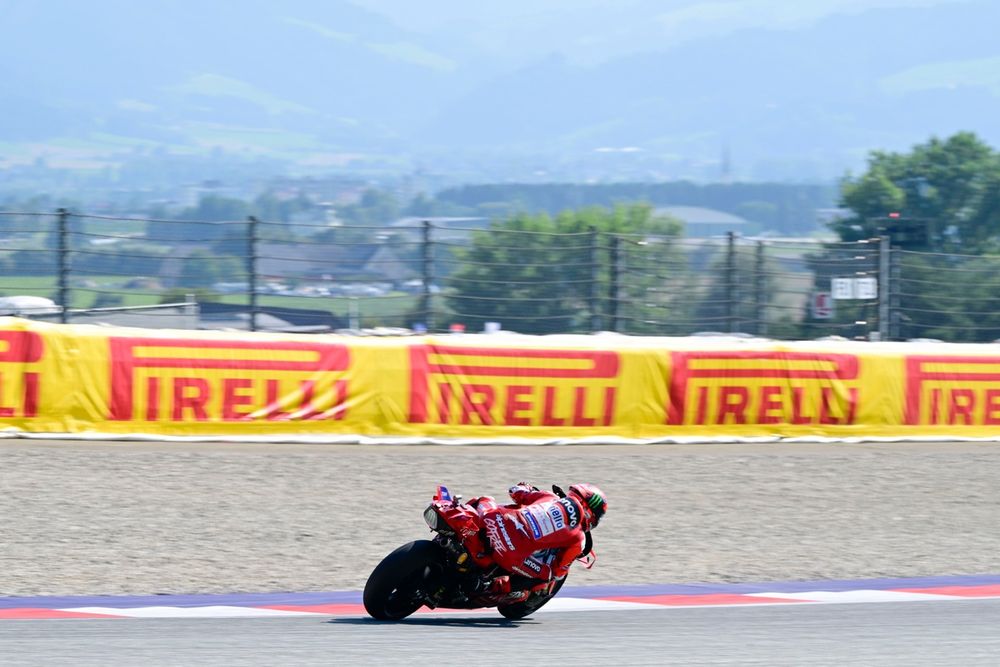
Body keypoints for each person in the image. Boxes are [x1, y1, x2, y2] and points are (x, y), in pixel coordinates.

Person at [470, 482, 608, 601]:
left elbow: (515, 492)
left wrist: (526, 487)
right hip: (509, 554)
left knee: (483, 500)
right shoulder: (579, 538)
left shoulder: (550, 497)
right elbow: (559, 571)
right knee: (548, 575)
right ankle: (492, 587)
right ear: (590, 512)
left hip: (492, 520)